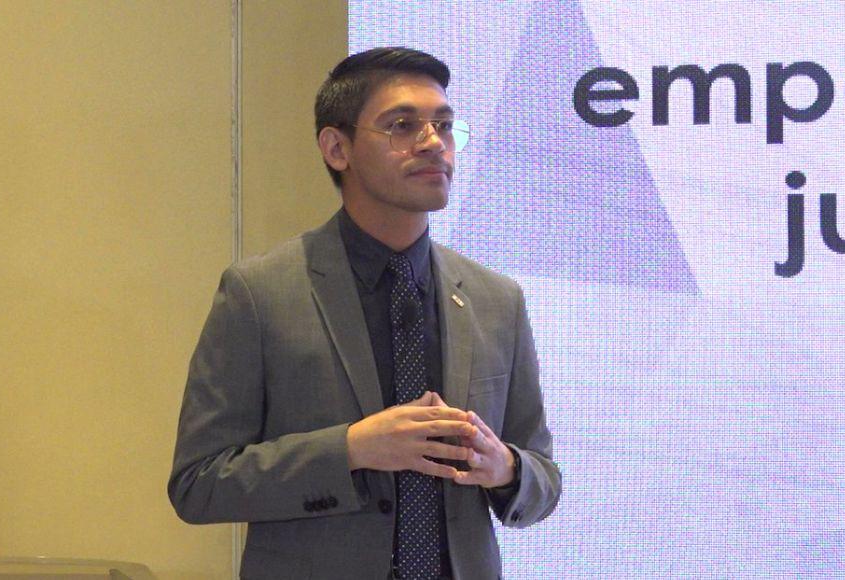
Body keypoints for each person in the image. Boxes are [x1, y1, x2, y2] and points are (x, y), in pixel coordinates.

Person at [168, 47, 561, 579]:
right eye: (403, 125)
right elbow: (198, 483)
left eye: (445, 126)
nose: (434, 143)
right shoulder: (259, 294)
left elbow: (544, 479)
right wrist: (350, 449)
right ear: (337, 148)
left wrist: (506, 468)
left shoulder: (497, 300)